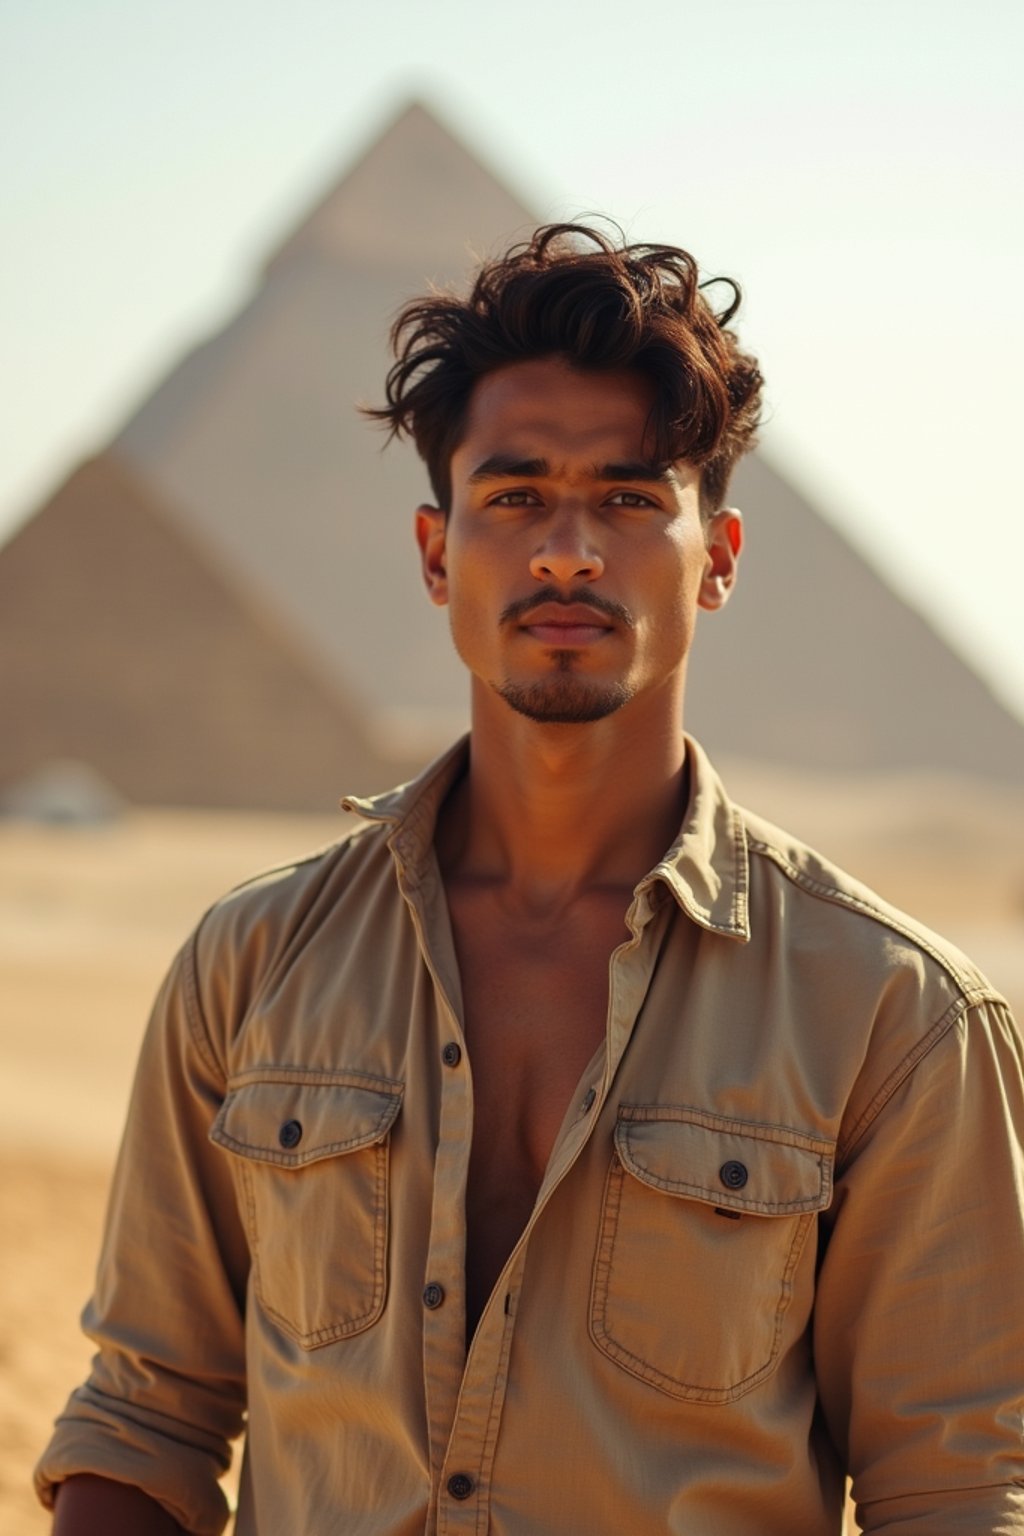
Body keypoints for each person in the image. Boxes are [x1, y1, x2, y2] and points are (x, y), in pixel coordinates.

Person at [36, 224, 1024, 1535]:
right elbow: (141, 1424)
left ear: (718, 557)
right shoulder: (252, 964)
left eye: (627, 498)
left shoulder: (893, 1016)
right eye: (514, 497)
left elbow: (954, 1490)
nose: (568, 551)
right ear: (439, 553)